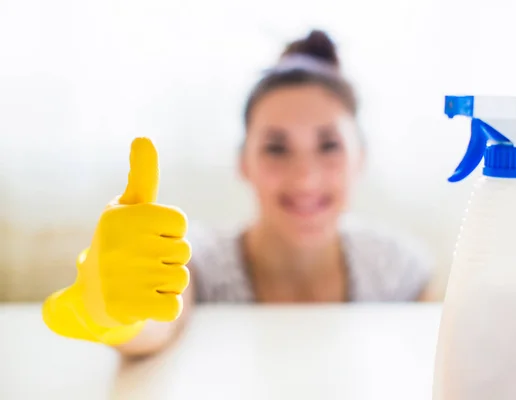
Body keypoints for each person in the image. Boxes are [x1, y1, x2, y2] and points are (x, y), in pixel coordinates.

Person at [42, 30, 433, 358]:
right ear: (243, 163)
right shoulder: (198, 260)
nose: (305, 177)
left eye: (329, 145)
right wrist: (119, 319)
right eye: (276, 148)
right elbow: (156, 330)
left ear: (360, 160)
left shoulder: (398, 268)